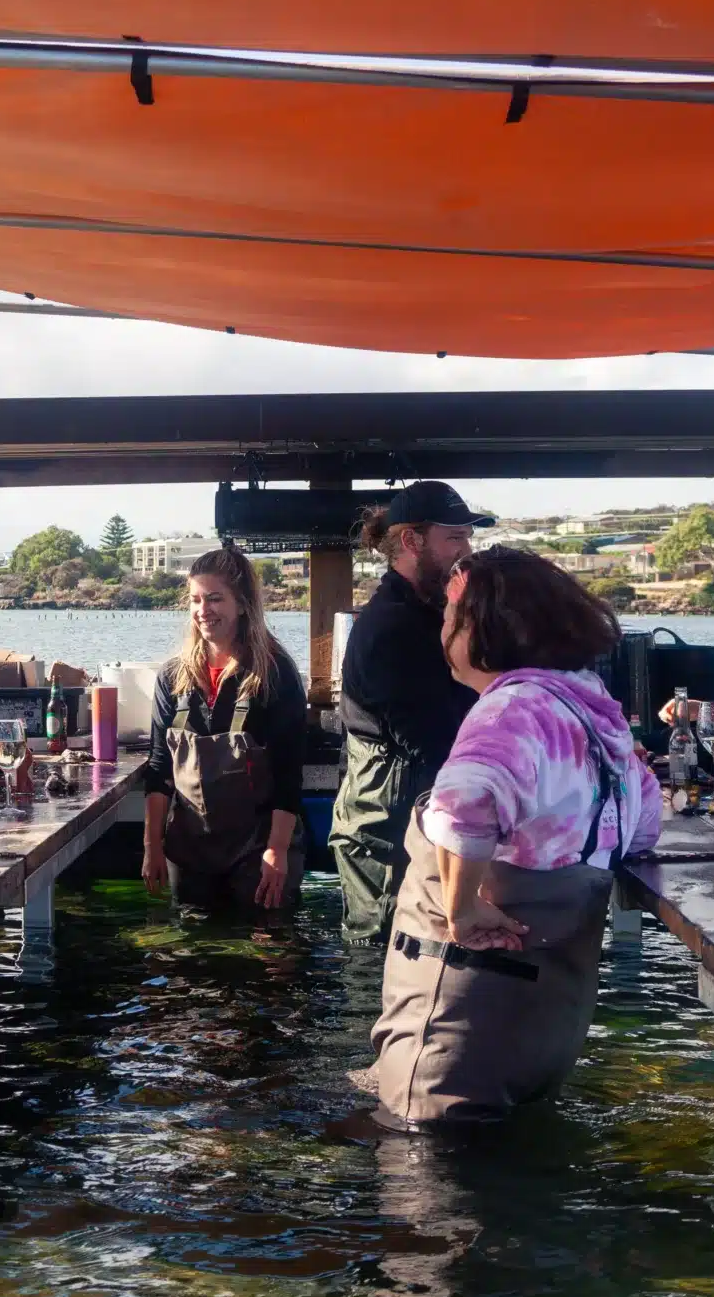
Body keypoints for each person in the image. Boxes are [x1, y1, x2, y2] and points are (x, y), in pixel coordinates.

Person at [368, 547, 661, 1128]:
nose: (443, 633)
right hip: (548, 1023)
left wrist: (462, 905)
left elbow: (461, 805)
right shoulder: (595, 715)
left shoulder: (513, 709)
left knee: (423, 1174)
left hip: (462, 1022)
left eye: (451, 620)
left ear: (485, 628)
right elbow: (646, 820)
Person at [330, 481, 492, 946]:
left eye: (468, 538)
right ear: (410, 541)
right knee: (380, 964)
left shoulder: (431, 613)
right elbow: (434, 738)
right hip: (382, 829)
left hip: (418, 816)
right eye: (454, 539)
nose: (466, 551)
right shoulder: (390, 625)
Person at [141, 547, 309, 914]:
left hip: (258, 847)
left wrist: (276, 850)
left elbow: (288, 774)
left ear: (243, 604)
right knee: (193, 957)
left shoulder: (276, 674)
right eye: (196, 600)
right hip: (190, 849)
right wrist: (152, 845)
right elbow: (158, 769)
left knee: (267, 956)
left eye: (215, 599)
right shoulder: (173, 676)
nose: (204, 611)